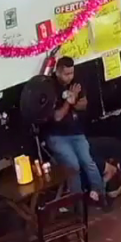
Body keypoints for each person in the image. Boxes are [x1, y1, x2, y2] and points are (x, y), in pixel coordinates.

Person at [43, 57, 105, 203]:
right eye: (66, 74)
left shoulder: (76, 83)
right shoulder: (49, 88)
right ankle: (77, 201)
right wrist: (68, 101)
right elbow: (57, 116)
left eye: (72, 73)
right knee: (73, 166)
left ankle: (100, 194)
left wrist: (75, 99)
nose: (70, 77)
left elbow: (83, 105)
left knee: (88, 162)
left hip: (76, 132)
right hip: (57, 136)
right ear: (58, 72)